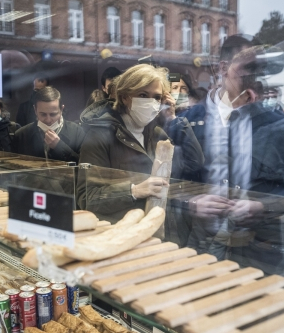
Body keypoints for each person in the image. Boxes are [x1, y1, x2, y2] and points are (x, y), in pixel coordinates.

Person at [182, 45, 284, 275]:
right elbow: (167, 183)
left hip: (259, 251)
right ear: (222, 68)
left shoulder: (276, 123)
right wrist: (190, 203)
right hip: (199, 249)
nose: (255, 77)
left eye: (260, 70)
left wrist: (264, 206)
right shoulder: (188, 121)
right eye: (249, 68)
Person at [77, 64, 204, 221]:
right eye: (143, 95)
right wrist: (133, 191)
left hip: (157, 226)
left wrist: (173, 119)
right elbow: (86, 198)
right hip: (123, 229)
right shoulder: (100, 135)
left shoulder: (157, 133)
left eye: (157, 97)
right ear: (124, 97)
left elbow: (194, 164)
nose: (151, 102)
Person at [12, 86, 85, 163]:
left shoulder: (77, 132)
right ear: (35, 110)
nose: (48, 120)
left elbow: (83, 165)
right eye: (43, 114)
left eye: (53, 114)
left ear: (61, 110)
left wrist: (59, 146)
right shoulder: (21, 135)